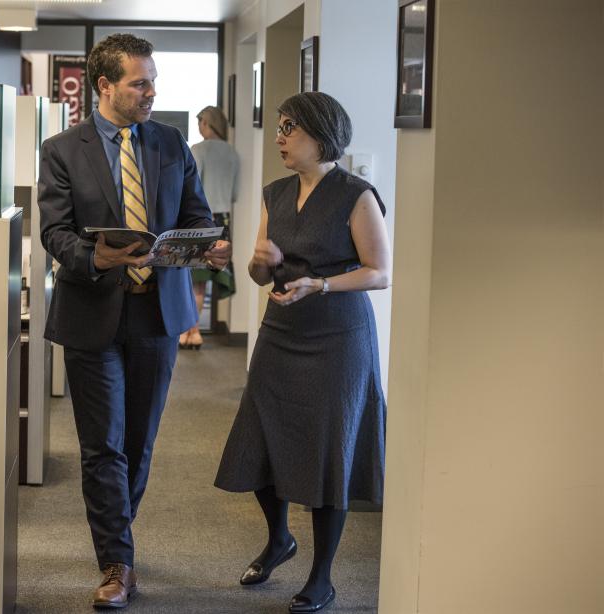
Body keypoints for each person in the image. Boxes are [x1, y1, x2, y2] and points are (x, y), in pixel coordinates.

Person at [38, 33, 231, 609]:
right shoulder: (62, 149)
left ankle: (117, 533)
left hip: (157, 313)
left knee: (140, 442)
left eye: (153, 81)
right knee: (103, 445)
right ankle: (117, 561)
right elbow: (55, 233)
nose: (151, 92)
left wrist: (207, 248)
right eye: (139, 82)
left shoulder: (171, 142)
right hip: (91, 311)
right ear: (104, 86)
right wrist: (96, 255)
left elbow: (195, 215)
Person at [214, 92, 391, 614]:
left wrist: (321, 284)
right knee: (261, 437)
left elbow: (379, 272)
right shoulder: (275, 192)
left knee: (327, 451)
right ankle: (279, 539)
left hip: (337, 338)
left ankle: (322, 576)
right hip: (281, 331)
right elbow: (258, 272)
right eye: (279, 127)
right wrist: (261, 263)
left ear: (321, 134)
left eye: (290, 128)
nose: (279, 138)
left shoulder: (356, 195)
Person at [181, 106, 240, 349]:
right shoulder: (232, 153)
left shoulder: (198, 150)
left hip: (201, 219)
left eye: (200, 123)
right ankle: (193, 330)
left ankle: (191, 331)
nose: (199, 128)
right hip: (223, 220)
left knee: (191, 278)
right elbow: (234, 194)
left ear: (207, 124)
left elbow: (192, 190)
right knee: (203, 282)